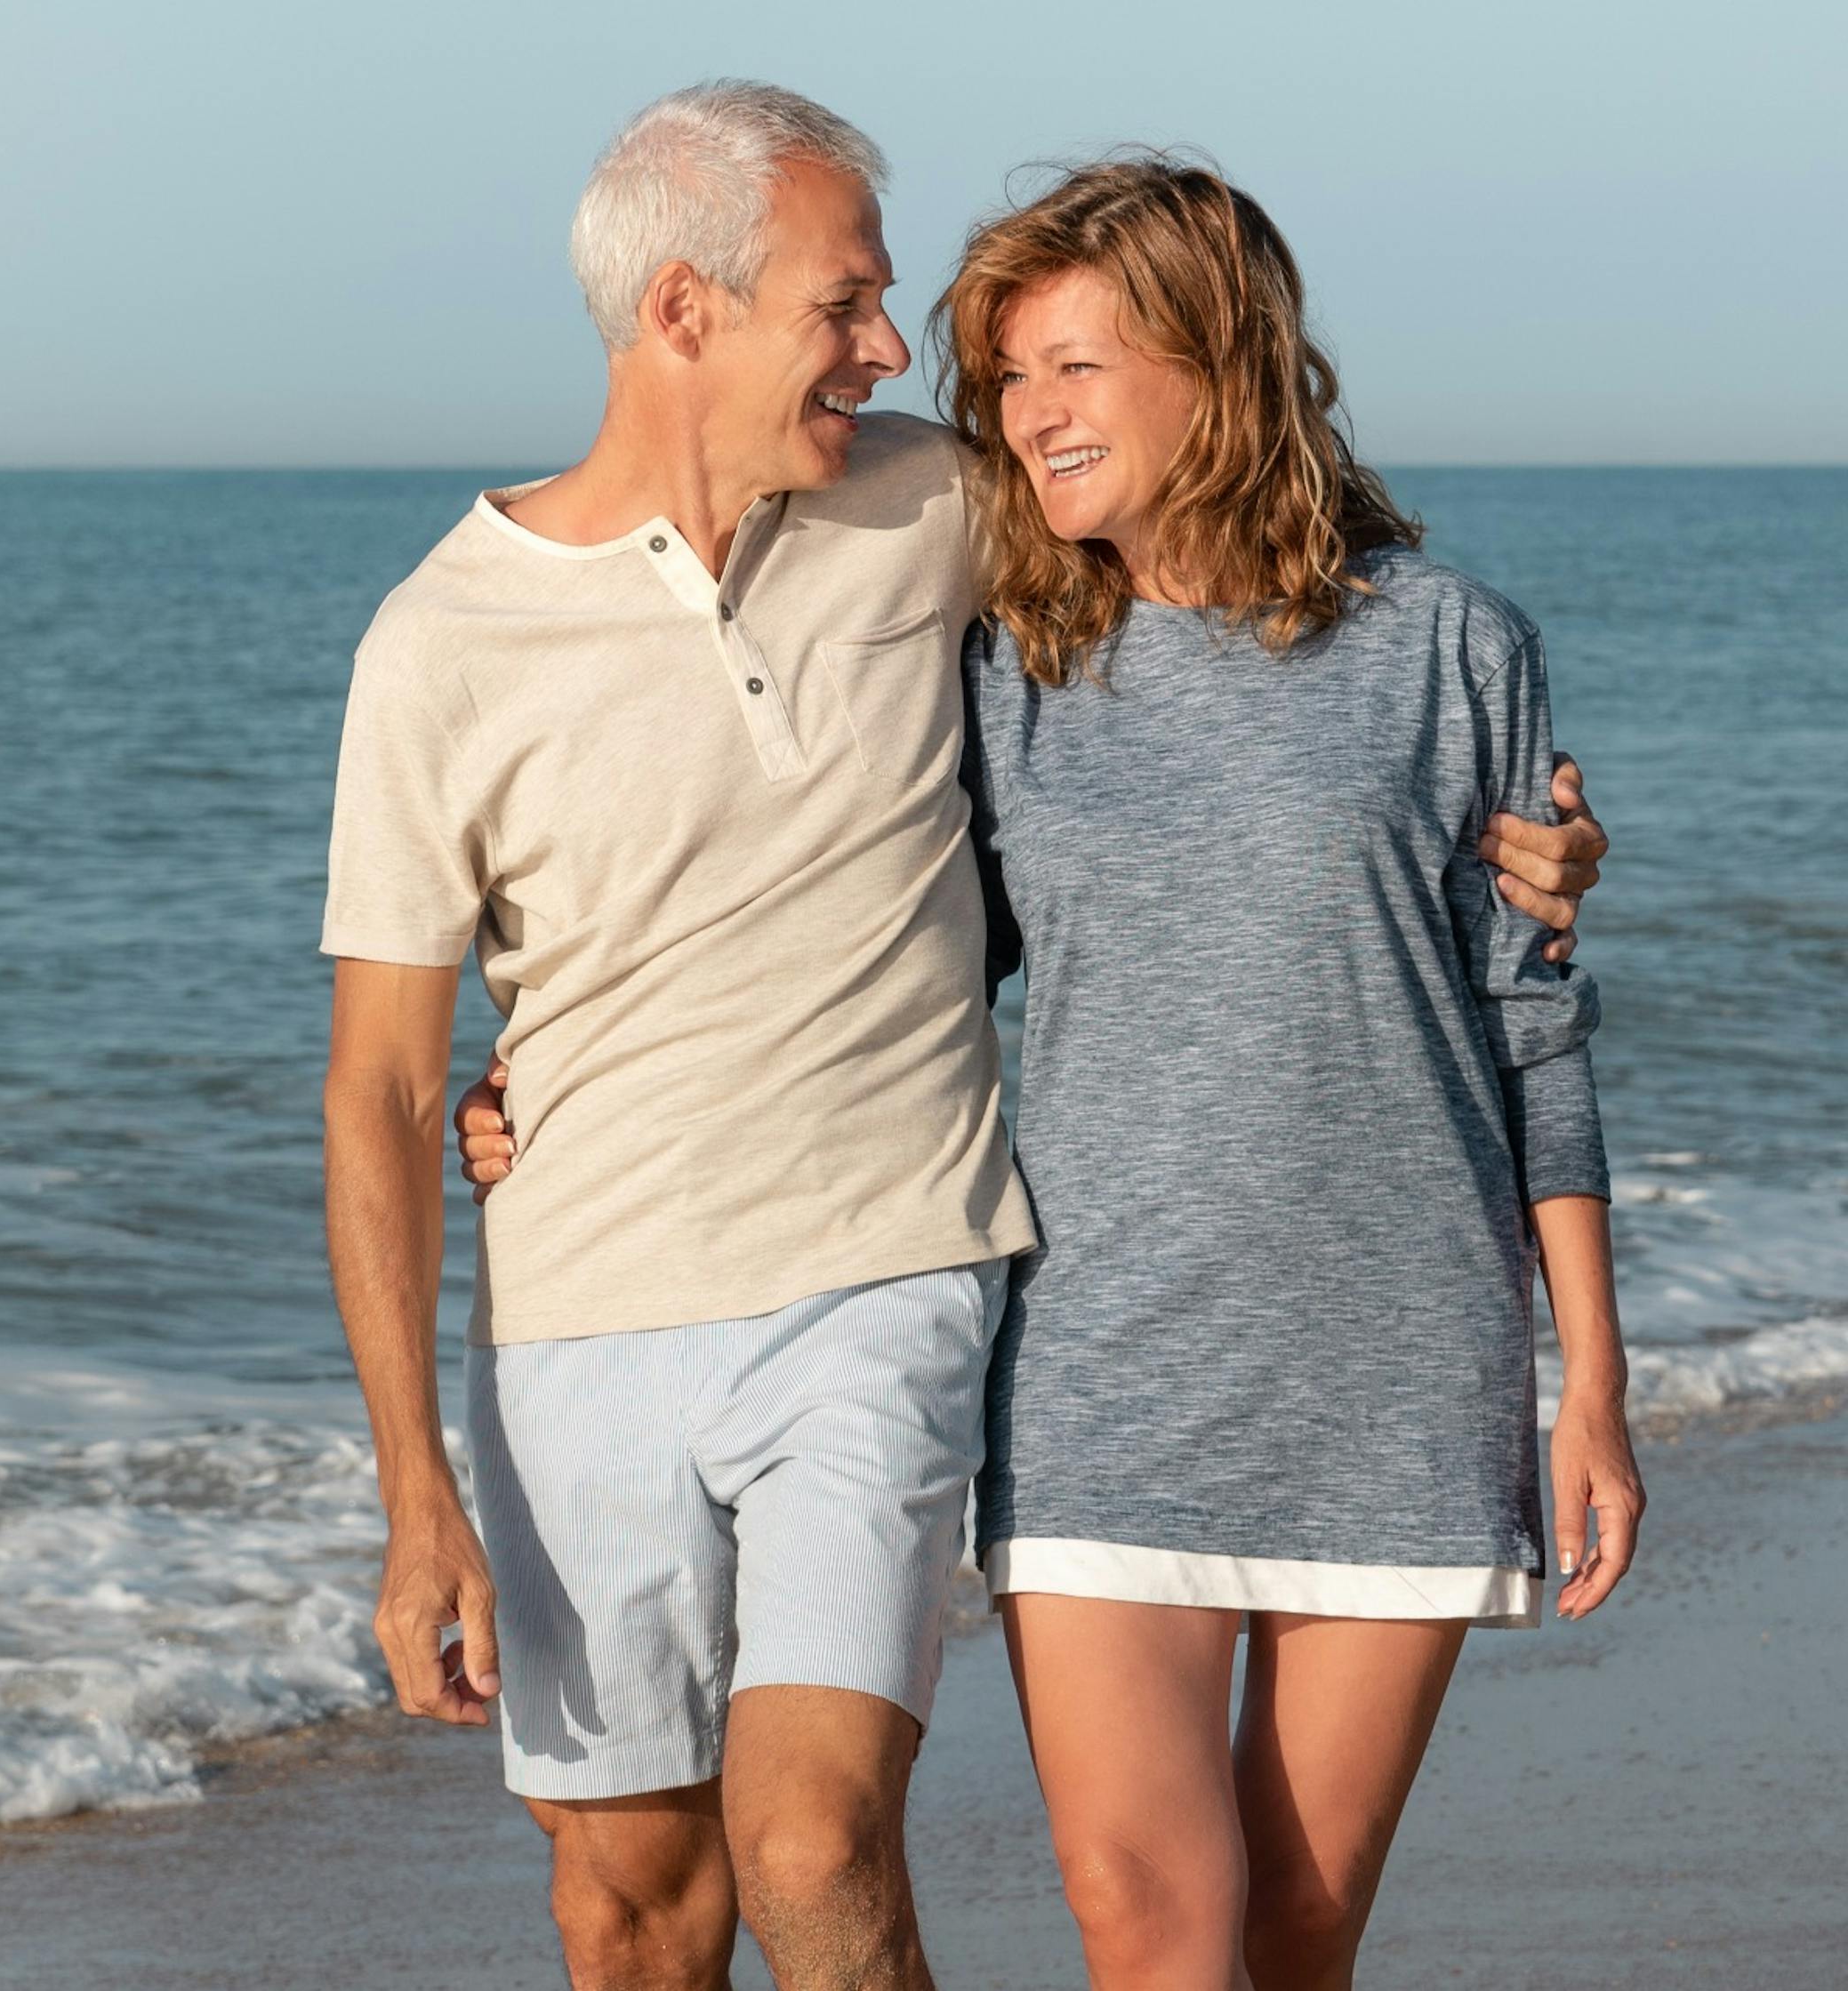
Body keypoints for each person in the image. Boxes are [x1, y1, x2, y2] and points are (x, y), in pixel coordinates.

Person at [323, 86, 1606, 1991]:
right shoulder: (489, 637)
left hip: (952, 1285)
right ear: (687, 310)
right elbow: (409, 1074)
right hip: (738, 1319)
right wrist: (435, 1422)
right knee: (674, 1912)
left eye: (1021, 355)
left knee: (886, 1857)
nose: (905, 359)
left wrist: (1526, 866)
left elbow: (1452, 914)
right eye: (852, 307)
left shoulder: (970, 517)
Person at [938, 158, 1642, 1989]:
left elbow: (1535, 1023)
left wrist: (1593, 1388)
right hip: (1104, 1361)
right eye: (1012, 379)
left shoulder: (1449, 648)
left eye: (1078, 366)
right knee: (1146, 1919)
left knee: (1304, 1930)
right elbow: (881, 969)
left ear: (1218, 358)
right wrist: (558, 1077)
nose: (1033, 417)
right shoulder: (1008, 667)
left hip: (1395, 1361)